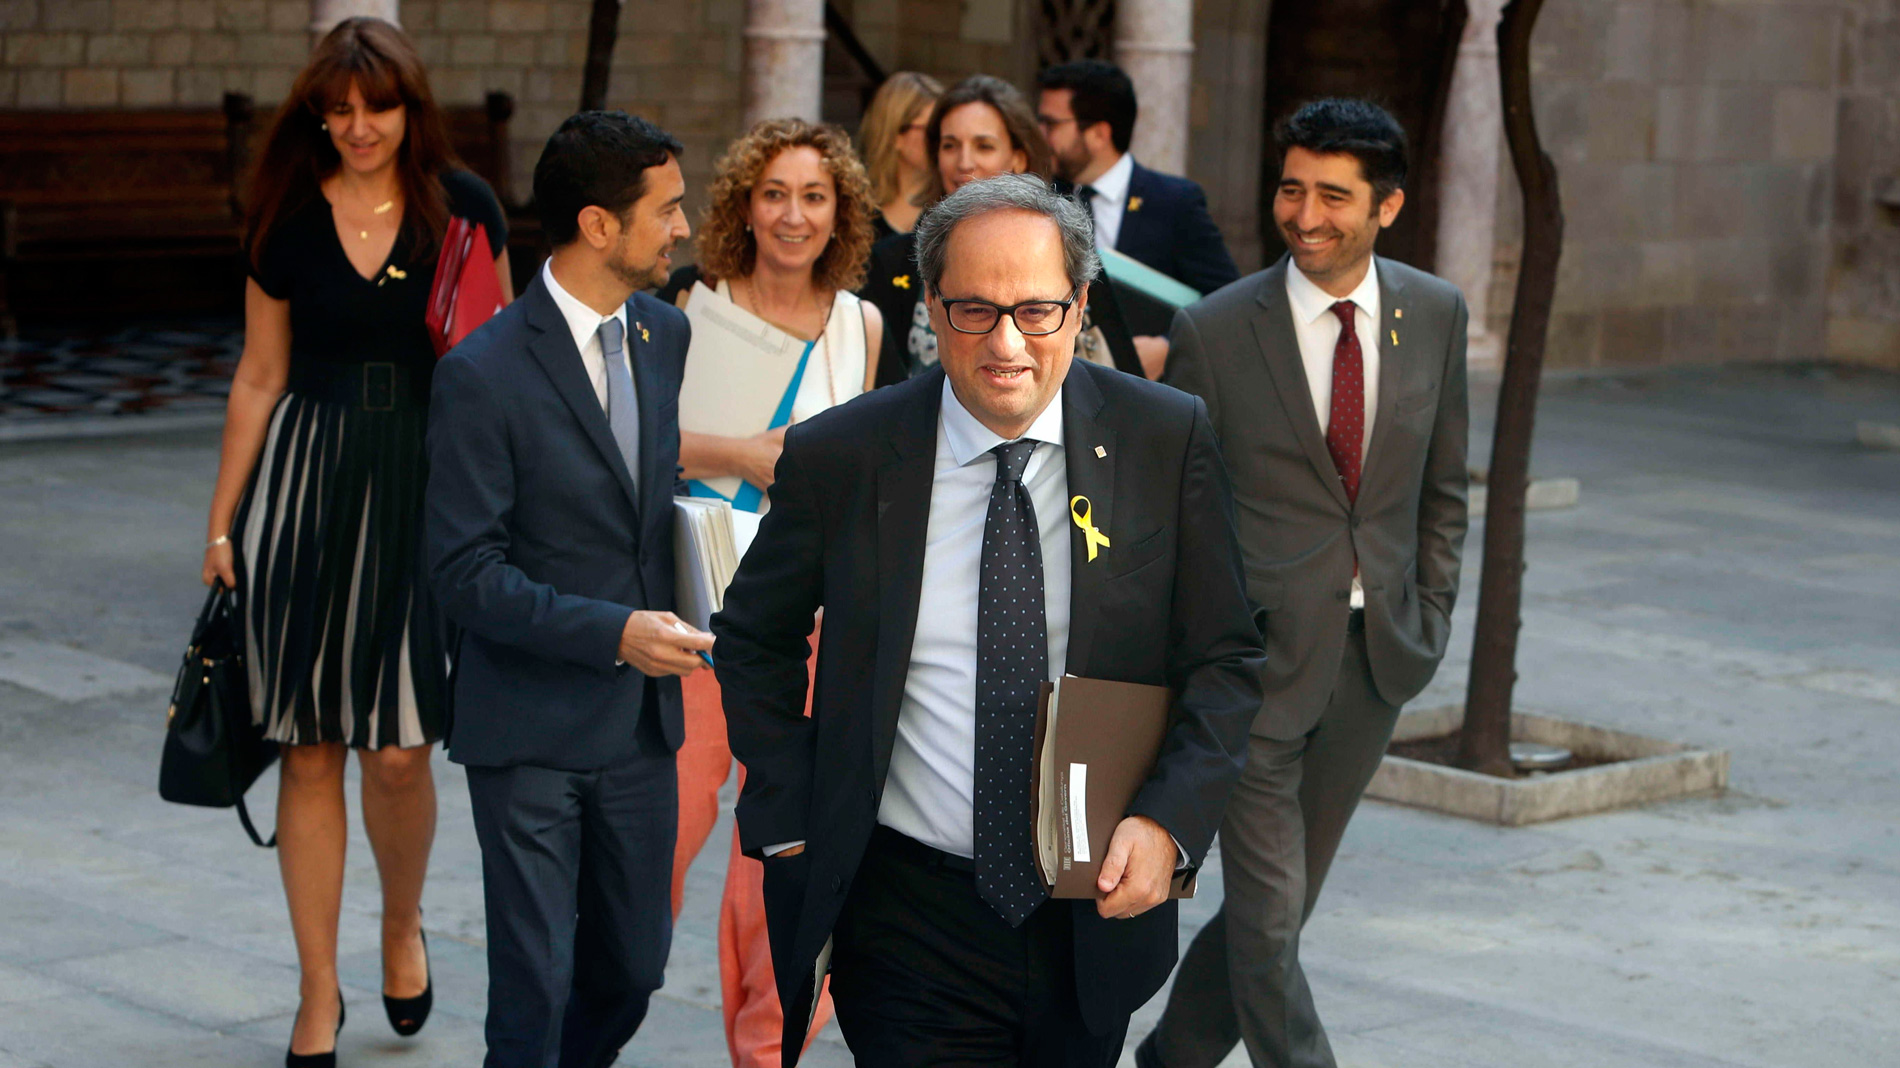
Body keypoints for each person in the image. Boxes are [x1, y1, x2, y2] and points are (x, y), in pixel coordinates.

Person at [713, 173, 1267, 1067]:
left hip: (1092, 905)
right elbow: (752, 636)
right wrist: (789, 809)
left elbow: (1225, 658)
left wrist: (1168, 822)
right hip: (905, 918)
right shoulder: (846, 455)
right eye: (974, 310)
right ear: (933, 308)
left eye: (1037, 310)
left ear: (1079, 305)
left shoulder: (1163, 438)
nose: (1007, 342)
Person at [199, 17, 510, 1066]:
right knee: (308, 745)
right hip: (306, 482)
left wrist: (503, 507)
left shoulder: (462, 209)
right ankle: (317, 989)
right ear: (316, 115)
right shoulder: (286, 214)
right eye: (339, 109)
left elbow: (497, 364)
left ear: (410, 109)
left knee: (400, 750)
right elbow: (259, 375)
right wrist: (222, 522)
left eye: (378, 106)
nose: (359, 126)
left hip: (424, 482)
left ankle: (401, 922)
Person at [1136, 98, 1470, 1068]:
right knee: (1272, 921)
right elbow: (1180, 511)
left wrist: (1431, 610)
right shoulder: (1214, 330)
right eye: (1291, 189)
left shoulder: (1435, 313)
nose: (1305, 215)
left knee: (1273, 915)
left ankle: (1169, 1061)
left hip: (1377, 660)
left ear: (1386, 207)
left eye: (1333, 195)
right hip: (1254, 668)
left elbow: (1444, 489)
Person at [424, 110, 712, 1068]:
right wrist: (614, 631)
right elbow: (462, 573)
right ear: (598, 225)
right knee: (534, 985)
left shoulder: (666, 334)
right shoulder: (481, 373)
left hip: (641, 730)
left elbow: (643, 503)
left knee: (632, 970)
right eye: (666, 209)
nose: (683, 228)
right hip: (529, 728)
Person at [651, 117, 879, 1068]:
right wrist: (741, 455)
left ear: (840, 212)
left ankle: (766, 1044)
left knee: (783, 846)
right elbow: (633, 446)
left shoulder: (861, 325)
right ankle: (607, 987)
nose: (793, 215)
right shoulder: (687, 306)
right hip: (694, 610)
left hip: (809, 622)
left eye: (813, 196)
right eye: (775, 193)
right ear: (744, 205)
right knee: (668, 822)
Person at [859, 75, 1140, 387]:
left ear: (1018, 158)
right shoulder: (891, 260)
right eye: (950, 145)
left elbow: (1125, 378)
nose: (964, 162)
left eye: (984, 146)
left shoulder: (1066, 250)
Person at [1035, 59, 1240, 375]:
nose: (1041, 134)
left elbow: (1229, 301)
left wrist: (1169, 346)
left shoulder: (1174, 202)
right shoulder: (1042, 197)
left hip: (1141, 387)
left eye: (1051, 124)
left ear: (1099, 134)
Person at [857, 71, 943, 241]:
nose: (941, 138)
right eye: (931, 129)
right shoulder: (855, 210)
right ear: (895, 135)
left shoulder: (950, 203)